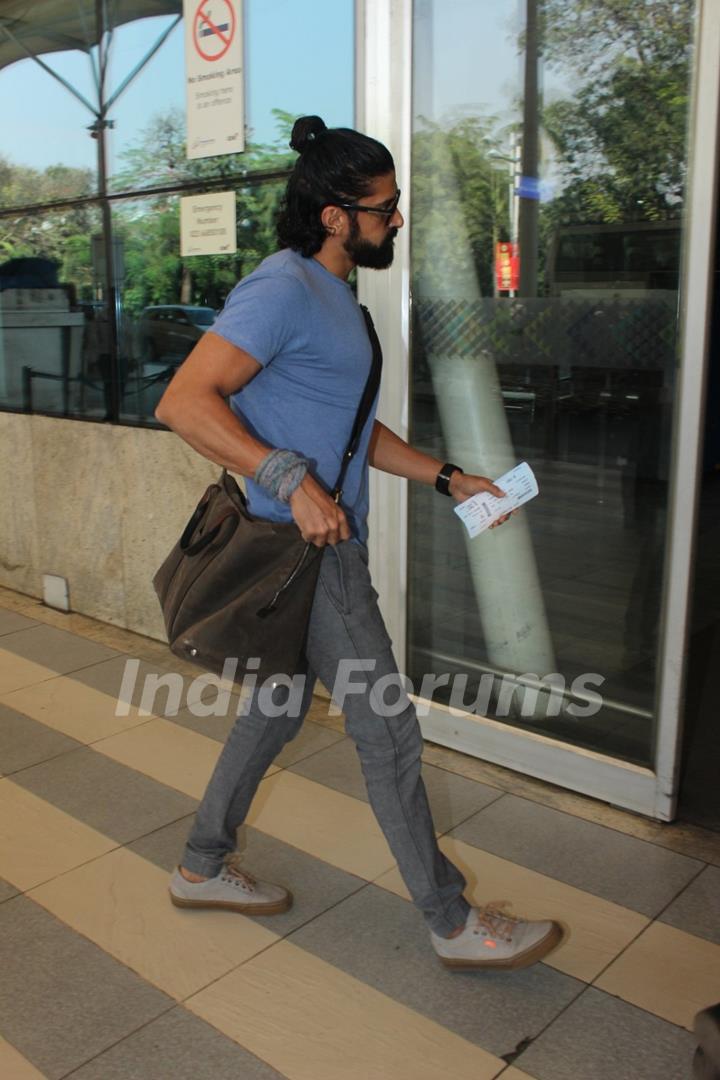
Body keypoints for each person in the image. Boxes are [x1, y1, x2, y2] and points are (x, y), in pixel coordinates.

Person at [155, 114, 563, 970]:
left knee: (275, 710)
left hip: (310, 550)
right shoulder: (282, 289)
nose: (396, 220)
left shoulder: (333, 295)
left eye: (395, 203)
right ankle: (452, 922)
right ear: (334, 214)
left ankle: (199, 863)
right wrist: (292, 484)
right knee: (388, 733)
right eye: (382, 208)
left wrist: (449, 478)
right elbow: (185, 402)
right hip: (309, 556)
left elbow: (351, 431)